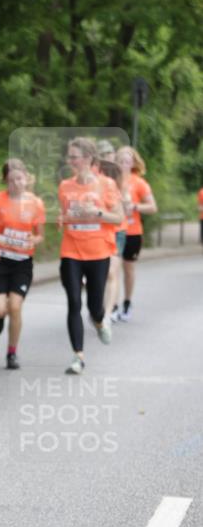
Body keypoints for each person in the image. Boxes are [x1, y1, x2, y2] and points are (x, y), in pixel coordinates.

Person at [58, 138, 123, 375]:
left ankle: (99, 321)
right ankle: (78, 356)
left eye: (74, 156)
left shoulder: (106, 185)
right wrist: (62, 218)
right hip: (71, 250)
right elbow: (65, 213)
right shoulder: (65, 186)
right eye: (69, 156)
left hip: (98, 252)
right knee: (74, 302)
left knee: (94, 306)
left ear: (87, 159)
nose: (70, 161)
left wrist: (96, 212)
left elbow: (118, 218)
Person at [0, 159, 46, 369]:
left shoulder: (36, 203)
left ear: (26, 179)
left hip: (22, 263)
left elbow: (40, 236)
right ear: (5, 181)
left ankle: (12, 353)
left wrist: (32, 241)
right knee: (0, 310)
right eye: (11, 180)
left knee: (16, 306)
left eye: (19, 179)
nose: (16, 184)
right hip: (0, 261)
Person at [115, 146, 158, 320]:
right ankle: (112, 305)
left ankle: (126, 302)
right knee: (112, 269)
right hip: (115, 231)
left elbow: (153, 207)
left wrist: (134, 206)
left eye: (127, 161)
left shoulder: (139, 183)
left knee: (128, 268)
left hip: (132, 232)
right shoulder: (110, 181)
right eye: (120, 160)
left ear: (133, 163)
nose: (123, 164)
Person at [98, 159, 129, 323]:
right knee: (102, 273)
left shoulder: (116, 191)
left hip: (118, 233)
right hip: (100, 233)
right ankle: (101, 307)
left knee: (111, 272)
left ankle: (109, 311)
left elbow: (122, 213)